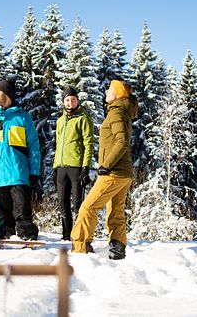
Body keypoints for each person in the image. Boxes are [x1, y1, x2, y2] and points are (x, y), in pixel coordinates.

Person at [71, 80, 137, 259]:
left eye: (109, 89)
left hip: (114, 172)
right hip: (124, 173)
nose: (106, 91)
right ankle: (117, 249)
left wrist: (106, 165)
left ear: (117, 94)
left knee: (88, 207)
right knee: (115, 210)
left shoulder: (116, 113)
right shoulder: (122, 112)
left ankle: (80, 246)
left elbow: (122, 141)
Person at [0, 79, 41, 241]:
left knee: (22, 213)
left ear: (7, 94)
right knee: (1, 219)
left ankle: (27, 237)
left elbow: (34, 147)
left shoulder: (23, 118)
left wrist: (34, 171)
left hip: (18, 173)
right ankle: (5, 237)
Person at [53, 86, 95, 240]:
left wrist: (86, 168)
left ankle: (79, 235)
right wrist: (55, 167)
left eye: (73, 100)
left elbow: (88, 144)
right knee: (62, 204)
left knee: (78, 205)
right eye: (67, 100)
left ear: (77, 101)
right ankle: (66, 236)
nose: (70, 103)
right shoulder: (60, 121)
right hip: (61, 167)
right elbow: (58, 144)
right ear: (63, 102)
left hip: (76, 167)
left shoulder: (83, 118)